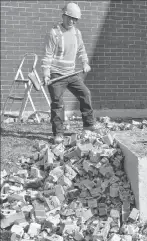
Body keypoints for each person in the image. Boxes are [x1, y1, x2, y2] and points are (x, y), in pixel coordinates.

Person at [41, 2, 100, 144]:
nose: (72, 21)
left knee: (85, 94)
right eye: (69, 18)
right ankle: (58, 134)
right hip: (56, 74)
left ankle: (88, 126)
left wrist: (85, 63)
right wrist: (46, 73)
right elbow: (48, 55)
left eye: (75, 19)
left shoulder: (77, 33)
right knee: (58, 103)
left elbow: (82, 50)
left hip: (71, 73)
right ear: (63, 16)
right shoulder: (54, 32)